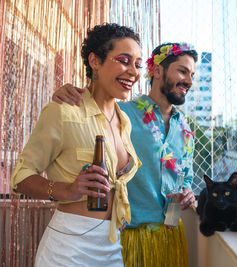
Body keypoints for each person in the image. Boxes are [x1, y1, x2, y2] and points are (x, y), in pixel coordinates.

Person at [52, 42, 198, 267]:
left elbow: (184, 178)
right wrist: (66, 92)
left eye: (192, 75)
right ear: (157, 71)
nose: (189, 81)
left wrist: (187, 192)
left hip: (171, 237)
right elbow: (89, 106)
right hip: (128, 239)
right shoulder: (122, 114)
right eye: (182, 71)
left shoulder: (185, 129)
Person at [10, 23, 142, 266]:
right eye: (124, 60)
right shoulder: (63, 111)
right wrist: (67, 191)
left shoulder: (124, 121)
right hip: (68, 249)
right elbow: (20, 177)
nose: (133, 71)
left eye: (137, 64)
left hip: (112, 245)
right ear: (95, 61)